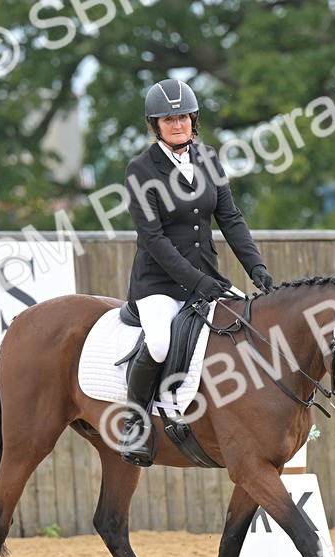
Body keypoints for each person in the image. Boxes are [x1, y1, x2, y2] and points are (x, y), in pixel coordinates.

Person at [117, 77, 275, 466]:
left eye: (184, 117)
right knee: (158, 343)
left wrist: (257, 268)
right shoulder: (141, 170)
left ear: (193, 120)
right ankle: (134, 423)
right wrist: (199, 282)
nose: (178, 124)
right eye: (168, 119)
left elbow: (230, 218)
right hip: (158, 284)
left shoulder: (208, 159)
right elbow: (154, 240)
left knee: (251, 326)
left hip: (208, 278)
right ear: (155, 125)